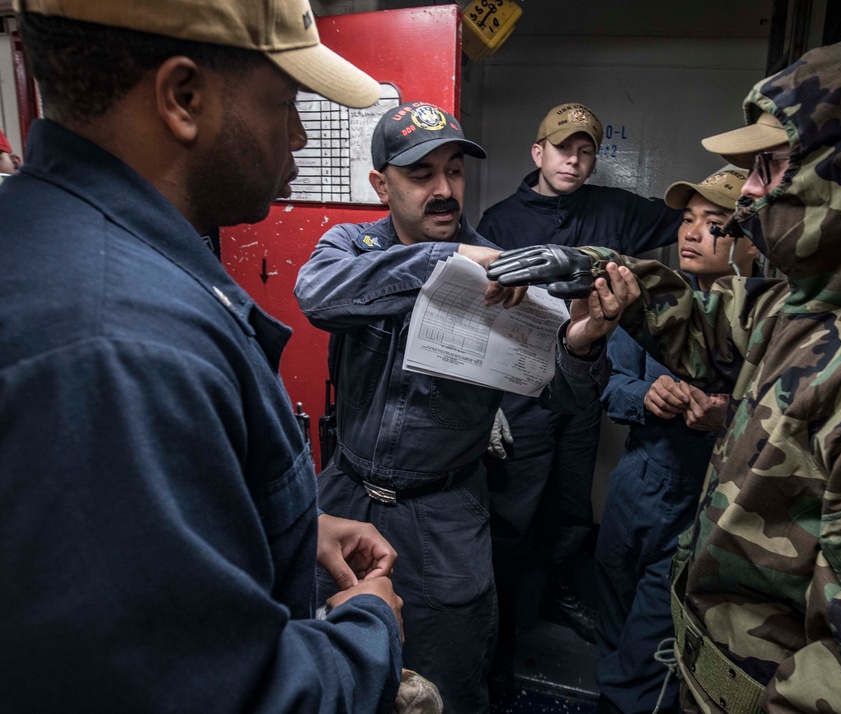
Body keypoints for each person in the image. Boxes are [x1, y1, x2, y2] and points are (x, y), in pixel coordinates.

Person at [487, 27, 841, 712]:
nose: (748, 199)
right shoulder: (806, 306)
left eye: (769, 169)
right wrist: (590, 267)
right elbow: (698, 324)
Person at [0, 1, 415, 712]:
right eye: (283, 103)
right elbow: (216, 694)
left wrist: (277, 522)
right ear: (183, 98)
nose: (298, 134)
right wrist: (369, 631)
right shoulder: (119, 346)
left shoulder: (61, 238)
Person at [293, 100, 631, 713]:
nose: (444, 190)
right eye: (421, 175)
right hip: (341, 501)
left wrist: (581, 347)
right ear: (381, 184)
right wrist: (441, 263)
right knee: (329, 670)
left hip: (444, 518)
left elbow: (560, 393)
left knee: (447, 687)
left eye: (454, 171)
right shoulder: (351, 244)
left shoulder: (505, 270)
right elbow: (317, 296)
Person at [476, 102, 683, 696]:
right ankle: (504, 627)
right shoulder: (500, 220)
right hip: (520, 388)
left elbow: (691, 217)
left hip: (585, 384)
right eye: (563, 147)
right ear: (538, 153)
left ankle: (563, 592)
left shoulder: (614, 209)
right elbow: (476, 307)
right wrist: (485, 399)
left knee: (571, 500)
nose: (574, 158)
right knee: (512, 513)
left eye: (586, 149)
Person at [595, 168, 756, 714]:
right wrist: (645, 395)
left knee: (649, 660)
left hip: (701, 503)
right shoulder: (659, 308)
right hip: (635, 488)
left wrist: (726, 419)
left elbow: (786, 426)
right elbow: (611, 386)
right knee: (612, 627)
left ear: (750, 243)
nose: (690, 233)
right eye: (687, 220)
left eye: (713, 224)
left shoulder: (771, 327)